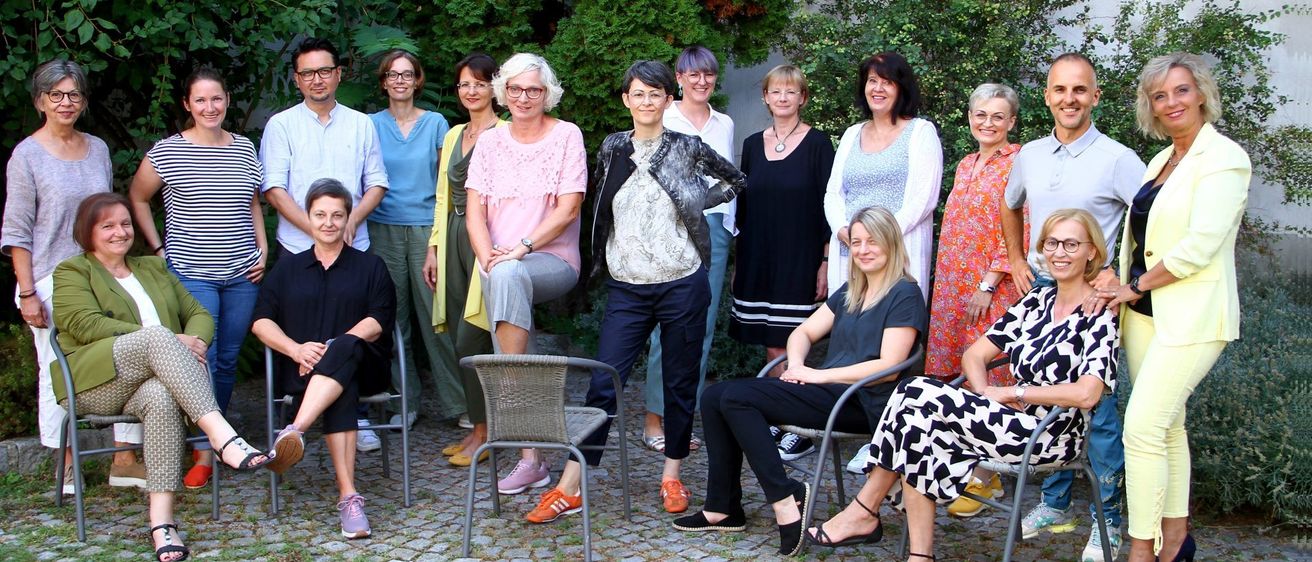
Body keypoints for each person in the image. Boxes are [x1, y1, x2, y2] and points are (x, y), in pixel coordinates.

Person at [805, 209, 1119, 562]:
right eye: (1052, 243)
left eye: (1071, 244)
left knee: (914, 396)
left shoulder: (1100, 314)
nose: (1059, 252)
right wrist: (988, 394)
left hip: (1051, 434)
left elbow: (1087, 393)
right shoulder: (1036, 302)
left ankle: (866, 509)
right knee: (917, 423)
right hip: (1008, 420)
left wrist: (1013, 393)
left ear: (1092, 251)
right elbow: (974, 355)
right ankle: (915, 553)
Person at [524, 61, 747, 524]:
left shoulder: (687, 146)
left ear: (669, 99)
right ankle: (572, 485)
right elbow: (602, 203)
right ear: (626, 100)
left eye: (655, 94)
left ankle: (672, 475)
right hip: (627, 286)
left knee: (680, 382)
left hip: (683, 281)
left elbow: (735, 180)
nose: (647, 102)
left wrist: (697, 200)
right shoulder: (612, 147)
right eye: (638, 94)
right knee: (604, 381)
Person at [673, 206, 925, 557]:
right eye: (856, 242)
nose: (863, 249)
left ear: (891, 243)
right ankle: (722, 506)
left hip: (865, 402)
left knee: (736, 399)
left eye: (872, 241)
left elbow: (891, 366)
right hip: (827, 391)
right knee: (714, 396)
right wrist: (795, 365)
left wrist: (816, 375)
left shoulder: (904, 294)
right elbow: (803, 332)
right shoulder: (852, 291)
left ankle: (784, 497)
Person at [52, 193, 272, 562]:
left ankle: (162, 524)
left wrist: (197, 340)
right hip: (98, 382)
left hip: (151, 381)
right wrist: (167, 339)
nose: (120, 232)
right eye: (107, 226)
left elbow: (198, 312)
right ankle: (222, 436)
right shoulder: (73, 271)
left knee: (161, 396)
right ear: (87, 232)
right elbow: (84, 324)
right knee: (157, 335)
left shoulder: (152, 268)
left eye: (124, 223)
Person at [1100, 52, 1250, 562]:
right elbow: (1140, 235)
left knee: (1141, 427)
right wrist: (1122, 285)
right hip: (1145, 317)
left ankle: (1141, 549)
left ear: (1202, 93)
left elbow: (1198, 247)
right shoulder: (1162, 160)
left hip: (1193, 315)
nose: (1171, 102)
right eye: (1159, 95)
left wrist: (1133, 286)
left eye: (1181, 90)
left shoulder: (1225, 158)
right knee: (1168, 426)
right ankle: (1177, 540)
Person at [1001, 52, 1145, 562]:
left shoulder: (1118, 158)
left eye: (1080, 90)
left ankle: (1108, 519)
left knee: (1098, 413)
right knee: (1046, 397)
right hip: (1043, 294)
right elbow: (1010, 202)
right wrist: (1017, 256)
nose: (1070, 99)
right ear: (1047, 96)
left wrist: (1124, 277)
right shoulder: (1031, 155)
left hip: (1094, 300)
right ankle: (1055, 502)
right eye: (1060, 90)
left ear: (1096, 96)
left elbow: (1151, 215)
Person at [2, 58, 145, 494]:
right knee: (57, 368)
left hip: (103, 274)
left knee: (131, 351)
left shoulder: (98, 148)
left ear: (83, 100)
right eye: (56, 95)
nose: (66, 102)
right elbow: (17, 230)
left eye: (74, 95)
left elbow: (107, 216)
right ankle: (66, 464)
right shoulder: (26, 155)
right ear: (41, 100)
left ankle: (124, 458)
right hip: (50, 278)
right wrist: (28, 293)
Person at [127, 67, 266, 489]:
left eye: (217, 99)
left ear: (227, 101)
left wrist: (263, 248)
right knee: (198, 357)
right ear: (187, 105)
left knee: (227, 359)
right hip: (191, 272)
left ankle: (214, 440)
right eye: (201, 100)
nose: (210, 107)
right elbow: (137, 196)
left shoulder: (244, 147)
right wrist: (157, 248)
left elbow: (255, 202)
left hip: (243, 272)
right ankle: (206, 451)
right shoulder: (168, 151)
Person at [463, 53, 586, 495]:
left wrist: (520, 249)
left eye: (534, 89)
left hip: (551, 259)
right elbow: (473, 211)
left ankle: (512, 397)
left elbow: (569, 208)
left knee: (510, 276)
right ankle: (531, 460)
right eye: (515, 89)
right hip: (498, 264)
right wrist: (486, 258)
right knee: (506, 279)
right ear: (504, 92)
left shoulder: (566, 135)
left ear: (547, 93)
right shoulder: (491, 142)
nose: (524, 97)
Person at [260, 37, 390, 453]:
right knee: (308, 337)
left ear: (338, 74)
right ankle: (305, 412)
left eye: (324, 71)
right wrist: (319, 231)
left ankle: (355, 416)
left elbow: (377, 183)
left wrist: (348, 221)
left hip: (354, 246)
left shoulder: (361, 123)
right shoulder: (281, 125)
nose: (317, 80)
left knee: (351, 334)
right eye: (307, 73)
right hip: (298, 251)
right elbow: (275, 189)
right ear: (297, 79)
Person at [255, 180, 396, 540]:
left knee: (347, 348)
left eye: (337, 215)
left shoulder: (371, 266)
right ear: (309, 217)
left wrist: (333, 346)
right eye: (320, 214)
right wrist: (295, 349)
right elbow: (261, 321)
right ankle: (349, 498)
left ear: (349, 219)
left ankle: (294, 431)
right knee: (340, 384)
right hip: (301, 370)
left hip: (365, 368)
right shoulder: (287, 269)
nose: (329, 222)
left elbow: (379, 320)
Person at [925, 83, 1024, 517]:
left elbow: (1021, 224)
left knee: (985, 373)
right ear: (969, 118)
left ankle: (989, 475)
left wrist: (988, 284)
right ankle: (953, 467)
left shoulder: (1019, 163)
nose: (988, 123)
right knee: (951, 373)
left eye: (998, 116)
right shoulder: (966, 163)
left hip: (991, 289)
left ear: (1012, 122)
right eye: (981, 114)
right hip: (951, 286)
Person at [640, 45, 735, 452]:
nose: (701, 81)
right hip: (669, 229)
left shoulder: (725, 124)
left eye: (708, 74)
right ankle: (652, 419)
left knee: (703, 324)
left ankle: (681, 420)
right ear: (678, 78)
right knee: (667, 324)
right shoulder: (662, 116)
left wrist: (729, 227)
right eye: (692, 74)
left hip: (713, 229)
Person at [367, 50, 463, 431]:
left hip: (426, 228)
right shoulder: (369, 124)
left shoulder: (436, 123)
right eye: (393, 75)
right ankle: (403, 402)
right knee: (393, 321)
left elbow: (446, 186)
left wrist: (437, 243)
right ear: (384, 82)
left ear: (418, 80)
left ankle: (459, 403)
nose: (400, 81)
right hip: (382, 228)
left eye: (408, 75)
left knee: (437, 319)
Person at [728, 64, 834, 378]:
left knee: (788, 341)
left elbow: (829, 207)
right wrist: (738, 263)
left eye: (791, 91)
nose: (783, 97)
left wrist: (826, 261)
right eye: (776, 91)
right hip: (758, 255)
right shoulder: (750, 145)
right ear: (766, 97)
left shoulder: (818, 144)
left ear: (803, 98)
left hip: (800, 259)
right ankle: (776, 415)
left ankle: (787, 413)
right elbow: (743, 207)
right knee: (770, 342)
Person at [423, 53, 502, 468]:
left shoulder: (506, 132)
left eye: (479, 83)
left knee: (478, 335)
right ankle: (477, 427)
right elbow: (441, 196)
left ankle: (488, 432)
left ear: (495, 88)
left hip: (485, 239)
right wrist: (433, 247)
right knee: (458, 333)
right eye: (464, 85)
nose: (471, 91)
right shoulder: (454, 134)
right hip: (453, 237)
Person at [823, 51, 942, 302]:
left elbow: (924, 198)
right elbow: (833, 193)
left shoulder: (920, 132)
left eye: (887, 82)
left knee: (893, 329)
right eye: (872, 80)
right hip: (851, 252)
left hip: (897, 251)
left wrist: (880, 235)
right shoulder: (852, 134)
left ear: (902, 88)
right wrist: (843, 230)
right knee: (848, 326)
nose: (878, 88)